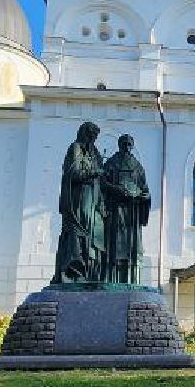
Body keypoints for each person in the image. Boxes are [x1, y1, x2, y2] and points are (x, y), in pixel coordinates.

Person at [53, 122, 106, 283]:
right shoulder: (76, 148)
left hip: (93, 199)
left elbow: (101, 178)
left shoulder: (94, 153)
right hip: (79, 198)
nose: (93, 139)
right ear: (85, 134)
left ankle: (89, 273)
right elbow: (73, 173)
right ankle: (74, 271)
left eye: (95, 137)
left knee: (93, 234)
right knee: (78, 231)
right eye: (91, 135)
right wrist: (93, 172)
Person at [101, 134, 151, 285]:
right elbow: (102, 183)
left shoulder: (137, 167)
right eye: (124, 144)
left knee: (132, 247)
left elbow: (144, 188)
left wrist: (145, 196)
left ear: (132, 146)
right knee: (114, 246)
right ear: (119, 145)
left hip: (132, 212)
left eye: (129, 144)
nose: (127, 147)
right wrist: (116, 189)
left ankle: (131, 280)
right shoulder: (111, 163)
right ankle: (112, 278)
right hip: (115, 210)